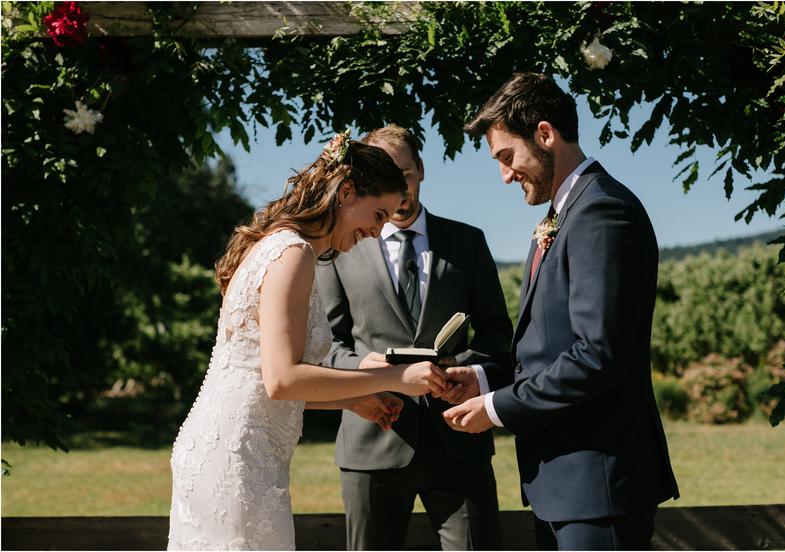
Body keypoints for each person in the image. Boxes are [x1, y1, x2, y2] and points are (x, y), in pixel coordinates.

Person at [167, 132, 450, 551]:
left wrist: (349, 400)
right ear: (346, 192)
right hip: (236, 461)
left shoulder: (277, 246)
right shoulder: (292, 252)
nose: (375, 232)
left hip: (232, 449)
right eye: (377, 215)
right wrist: (393, 376)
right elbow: (282, 380)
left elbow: (263, 385)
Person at [444, 73, 680, 550]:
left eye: (507, 157)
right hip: (565, 486)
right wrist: (486, 380)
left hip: (600, 483)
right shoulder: (565, 214)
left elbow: (597, 356)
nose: (505, 175)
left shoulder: (601, 212)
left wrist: (495, 409)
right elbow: (549, 347)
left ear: (545, 134)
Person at [316, 125, 514, 550]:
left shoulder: (467, 242)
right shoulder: (339, 250)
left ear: (421, 170)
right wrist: (367, 375)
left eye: (405, 174)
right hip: (372, 439)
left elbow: (498, 332)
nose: (400, 191)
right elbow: (328, 345)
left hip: (460, 437)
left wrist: (468, 371)